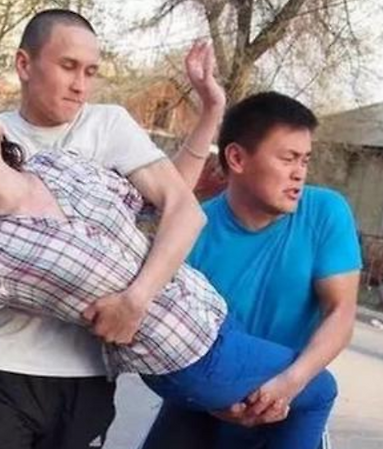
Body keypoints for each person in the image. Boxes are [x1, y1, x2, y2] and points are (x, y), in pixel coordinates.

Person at [0, 108, 338, 449]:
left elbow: (162, 202)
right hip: (190, 353)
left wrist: (209, 115)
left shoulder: (56, 166)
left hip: (210, 316)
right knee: (318, 389)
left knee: (272, 404)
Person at [0, 9, 226, 449]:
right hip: (6, 366)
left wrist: (136, 300)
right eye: (68, 66)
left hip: (87, 370)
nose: (80, 85)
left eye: (90, 72)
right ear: (24, 64)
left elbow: (179, 207)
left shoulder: (107, 125)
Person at [140, 92, 362, 449]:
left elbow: (341, 312)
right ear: (237, 158)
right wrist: (215, 401)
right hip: (205, 397)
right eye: (288, 158)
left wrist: (290, 383)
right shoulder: (191, 228)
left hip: (291, 396)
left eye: (305, 160)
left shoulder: (326, 212)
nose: (299, 173)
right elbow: (165, 336)